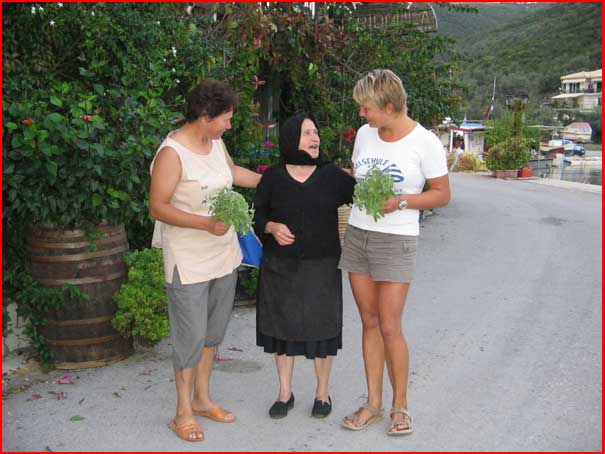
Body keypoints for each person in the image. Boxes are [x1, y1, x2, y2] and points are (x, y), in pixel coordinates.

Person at [339, 69, 450, 436]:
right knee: (369, 322)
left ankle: (400, 406)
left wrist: (401, 201)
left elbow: (442, 194)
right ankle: (373, 403)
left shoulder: (425, 142)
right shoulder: (365, 135)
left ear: (389, 106)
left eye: (366, 107)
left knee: (389, 325)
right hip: (358, 234)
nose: (362, 114)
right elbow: (357, 176)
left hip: (397, 238)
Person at [149, 79, 261, 442]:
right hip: (188, 260)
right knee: (190, 337)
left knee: (212, 335)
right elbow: (157, 207)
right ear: (204, 115)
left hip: (223, 255)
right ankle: (182, 412)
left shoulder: (215, 143)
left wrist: (275, 182)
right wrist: (204, 224)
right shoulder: (172, 154)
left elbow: (233, 173)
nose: (229, 124)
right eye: (225, 118)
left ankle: (202, 399)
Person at [253, 113, 356, 420]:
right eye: (308, 133)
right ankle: (285, 393)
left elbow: (363, 199)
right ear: (291, 138)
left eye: (316, 132)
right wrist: (271, 227)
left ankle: (322, 393)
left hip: (322, 266)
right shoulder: (273, 177)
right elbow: (258, 217)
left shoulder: (332, 176)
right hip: (279, 266)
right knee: (282, 330)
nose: (315, 138)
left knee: (322, 329)